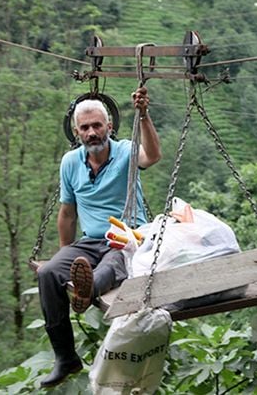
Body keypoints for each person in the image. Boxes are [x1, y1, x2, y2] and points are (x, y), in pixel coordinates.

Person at [36, 87, 161, 388]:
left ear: (110, 127)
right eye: (85, 128)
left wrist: (143, 115)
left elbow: (153, 156)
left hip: (127, 236)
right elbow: (67, 213)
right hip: (89, 241)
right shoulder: (70, 163)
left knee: (111, 266)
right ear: (77, 132)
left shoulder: (125, 152)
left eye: (97, 126)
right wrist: (66, 257)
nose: (92, 132)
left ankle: (88, 288)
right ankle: (65, 357)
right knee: (49, 273)